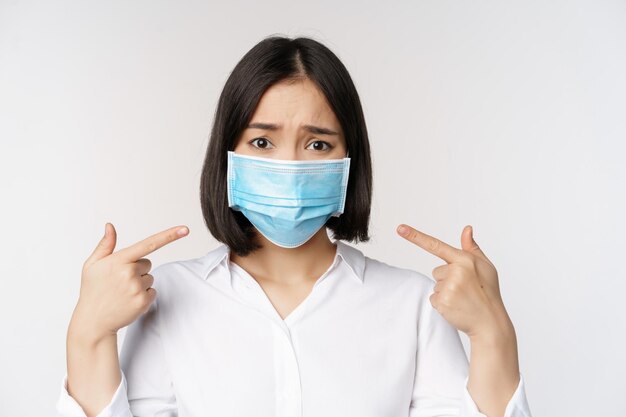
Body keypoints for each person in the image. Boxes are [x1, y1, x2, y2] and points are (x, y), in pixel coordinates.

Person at [56, 35, 532, 417]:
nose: (289, 164)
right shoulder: (167, 298)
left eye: (318, 145)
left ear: (350, 160)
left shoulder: (413, 306)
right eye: (262, 142)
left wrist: (494, 334)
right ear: (229, 158)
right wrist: (88, 335)